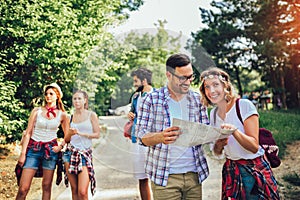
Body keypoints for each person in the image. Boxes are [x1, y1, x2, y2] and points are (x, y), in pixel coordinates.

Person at [135, 53, 209, 200]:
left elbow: (205, 131)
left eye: (190, 77)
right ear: (169, 75)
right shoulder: (151, 100)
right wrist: (160, 137)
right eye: (182, 78)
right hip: (165, 177)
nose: (187, 82)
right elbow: (141, 137)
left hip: (194, 175)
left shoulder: (197, 100)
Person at [199, 67, 279, 200]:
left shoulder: (243, 105)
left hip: (253, 169)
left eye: (215, 85)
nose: (211, 91)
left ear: (225, 86)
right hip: (231, 169)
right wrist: (219, 145)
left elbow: (253, 146)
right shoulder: (213, 114)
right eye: (207, 87)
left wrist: (234, 131)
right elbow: (217, 153)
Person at [16, 83, 69, 200]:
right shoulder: (37, 111)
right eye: (46, 94)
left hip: (50, 152)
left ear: (57, 96)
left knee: (46, 186)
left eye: (51, 94)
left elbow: (68, 135)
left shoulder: (63, 115)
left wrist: (60, 147)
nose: (48, 96)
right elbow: (28, 132)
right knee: (23, 188)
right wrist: (23, 154)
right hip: (33, 150)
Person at [63, 89, 100, 200]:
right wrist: (70, 134)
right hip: (70, 155)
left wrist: (80, 133)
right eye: (75, 99)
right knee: (74, 190)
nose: (77, 101)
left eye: (79, 98)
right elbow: (67, 139)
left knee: (82, 192)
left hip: (84, 155)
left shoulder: (91, 115)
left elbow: (97, 134)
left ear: (85, 100)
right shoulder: (70, 117)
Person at [127, 68, 153, 200]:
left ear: (144, 80)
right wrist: (130, 115)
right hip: (137, 141)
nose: (134, 84)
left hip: (154, 141)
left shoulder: (157, 95)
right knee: (142, 178)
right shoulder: (136, 97)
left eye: (136, 81)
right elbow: (132, 114)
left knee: (156, 177)